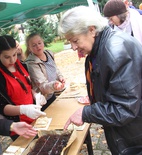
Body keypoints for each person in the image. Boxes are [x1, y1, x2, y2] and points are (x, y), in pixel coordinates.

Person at [58, 5, 142, 155]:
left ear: (91, 30)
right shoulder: (97, 49)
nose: (73, 47)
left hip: (135, 138)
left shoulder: (115, 51)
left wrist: (85, 113)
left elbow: (124, 109)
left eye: (75, 40)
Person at [0, 35, 46, 141]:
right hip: (18, 127)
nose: (12, 60)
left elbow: (26, 87)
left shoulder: (21, 64)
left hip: (35, 119)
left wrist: (35, 95)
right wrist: (23, 109)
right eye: (7, 57)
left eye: (14, 54)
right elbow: (1, 107)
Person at [24, 33, 65, 111]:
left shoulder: (49, 53)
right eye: (34, 45)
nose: (38, 46)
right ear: (29, 48)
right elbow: (42, 86)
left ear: (43, 42)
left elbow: (54, 68)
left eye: (39, 43)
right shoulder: (31, 63)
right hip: (43, 100)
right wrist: (54, 85)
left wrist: (60, 77)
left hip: (52, 94)